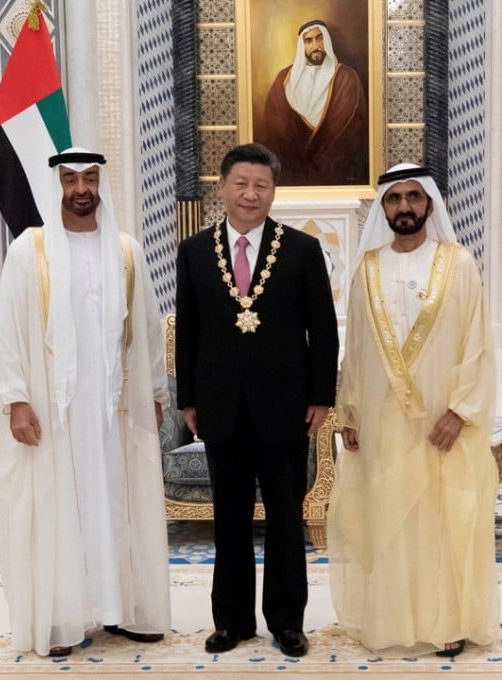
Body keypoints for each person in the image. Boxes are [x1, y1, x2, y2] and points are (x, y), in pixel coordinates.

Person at [0, 148, 171, 657]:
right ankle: (61, 619)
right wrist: (16, 400)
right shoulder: (29, 251)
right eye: (71, 180)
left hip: (115, 409)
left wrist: (155, 393)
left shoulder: (127, 251)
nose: (81, 189)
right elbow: (8, 331)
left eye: (90, 179)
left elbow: (148, 331)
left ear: (100, 184)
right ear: (58, 186)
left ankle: (125, 610)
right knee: (60, 508)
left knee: (119, 504)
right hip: (55, 409)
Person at [328, 163, 499, 657]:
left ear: (428, 203)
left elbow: (477, 344)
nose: (404, 206)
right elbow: (356, 349)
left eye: (413, 197)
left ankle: (447, 621)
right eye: (394, 198)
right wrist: (349, 412)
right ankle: (391, 620)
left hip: (442, 423)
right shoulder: (368, 269)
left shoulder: (458, 264)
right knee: (389, 518)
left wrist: (461, 411)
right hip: (382, 422)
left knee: (442, 519)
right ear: (383, 207)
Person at [175, 143, 339, 657]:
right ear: (222, 187)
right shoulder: (194, 251)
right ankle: (232, 621)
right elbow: (188, 331)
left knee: (286, 519)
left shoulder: (303, 250)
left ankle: (287, 622)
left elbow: (323, 330)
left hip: (286, 406)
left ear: (272, 192)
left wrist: (322, 396)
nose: (250, 194)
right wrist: (188, 400)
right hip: (220, 405)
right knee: (230, 518)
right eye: (241, 184)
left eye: (261, 186)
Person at [257, 19, 368, 186]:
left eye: (320, 38)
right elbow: (274, 131)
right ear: (302, 46)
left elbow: (353, 131)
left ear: (327, 41)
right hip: (292, 176)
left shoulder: (346, 77)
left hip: (336, 175)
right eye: (308, 40)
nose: (316, 45)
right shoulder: (284, 79)